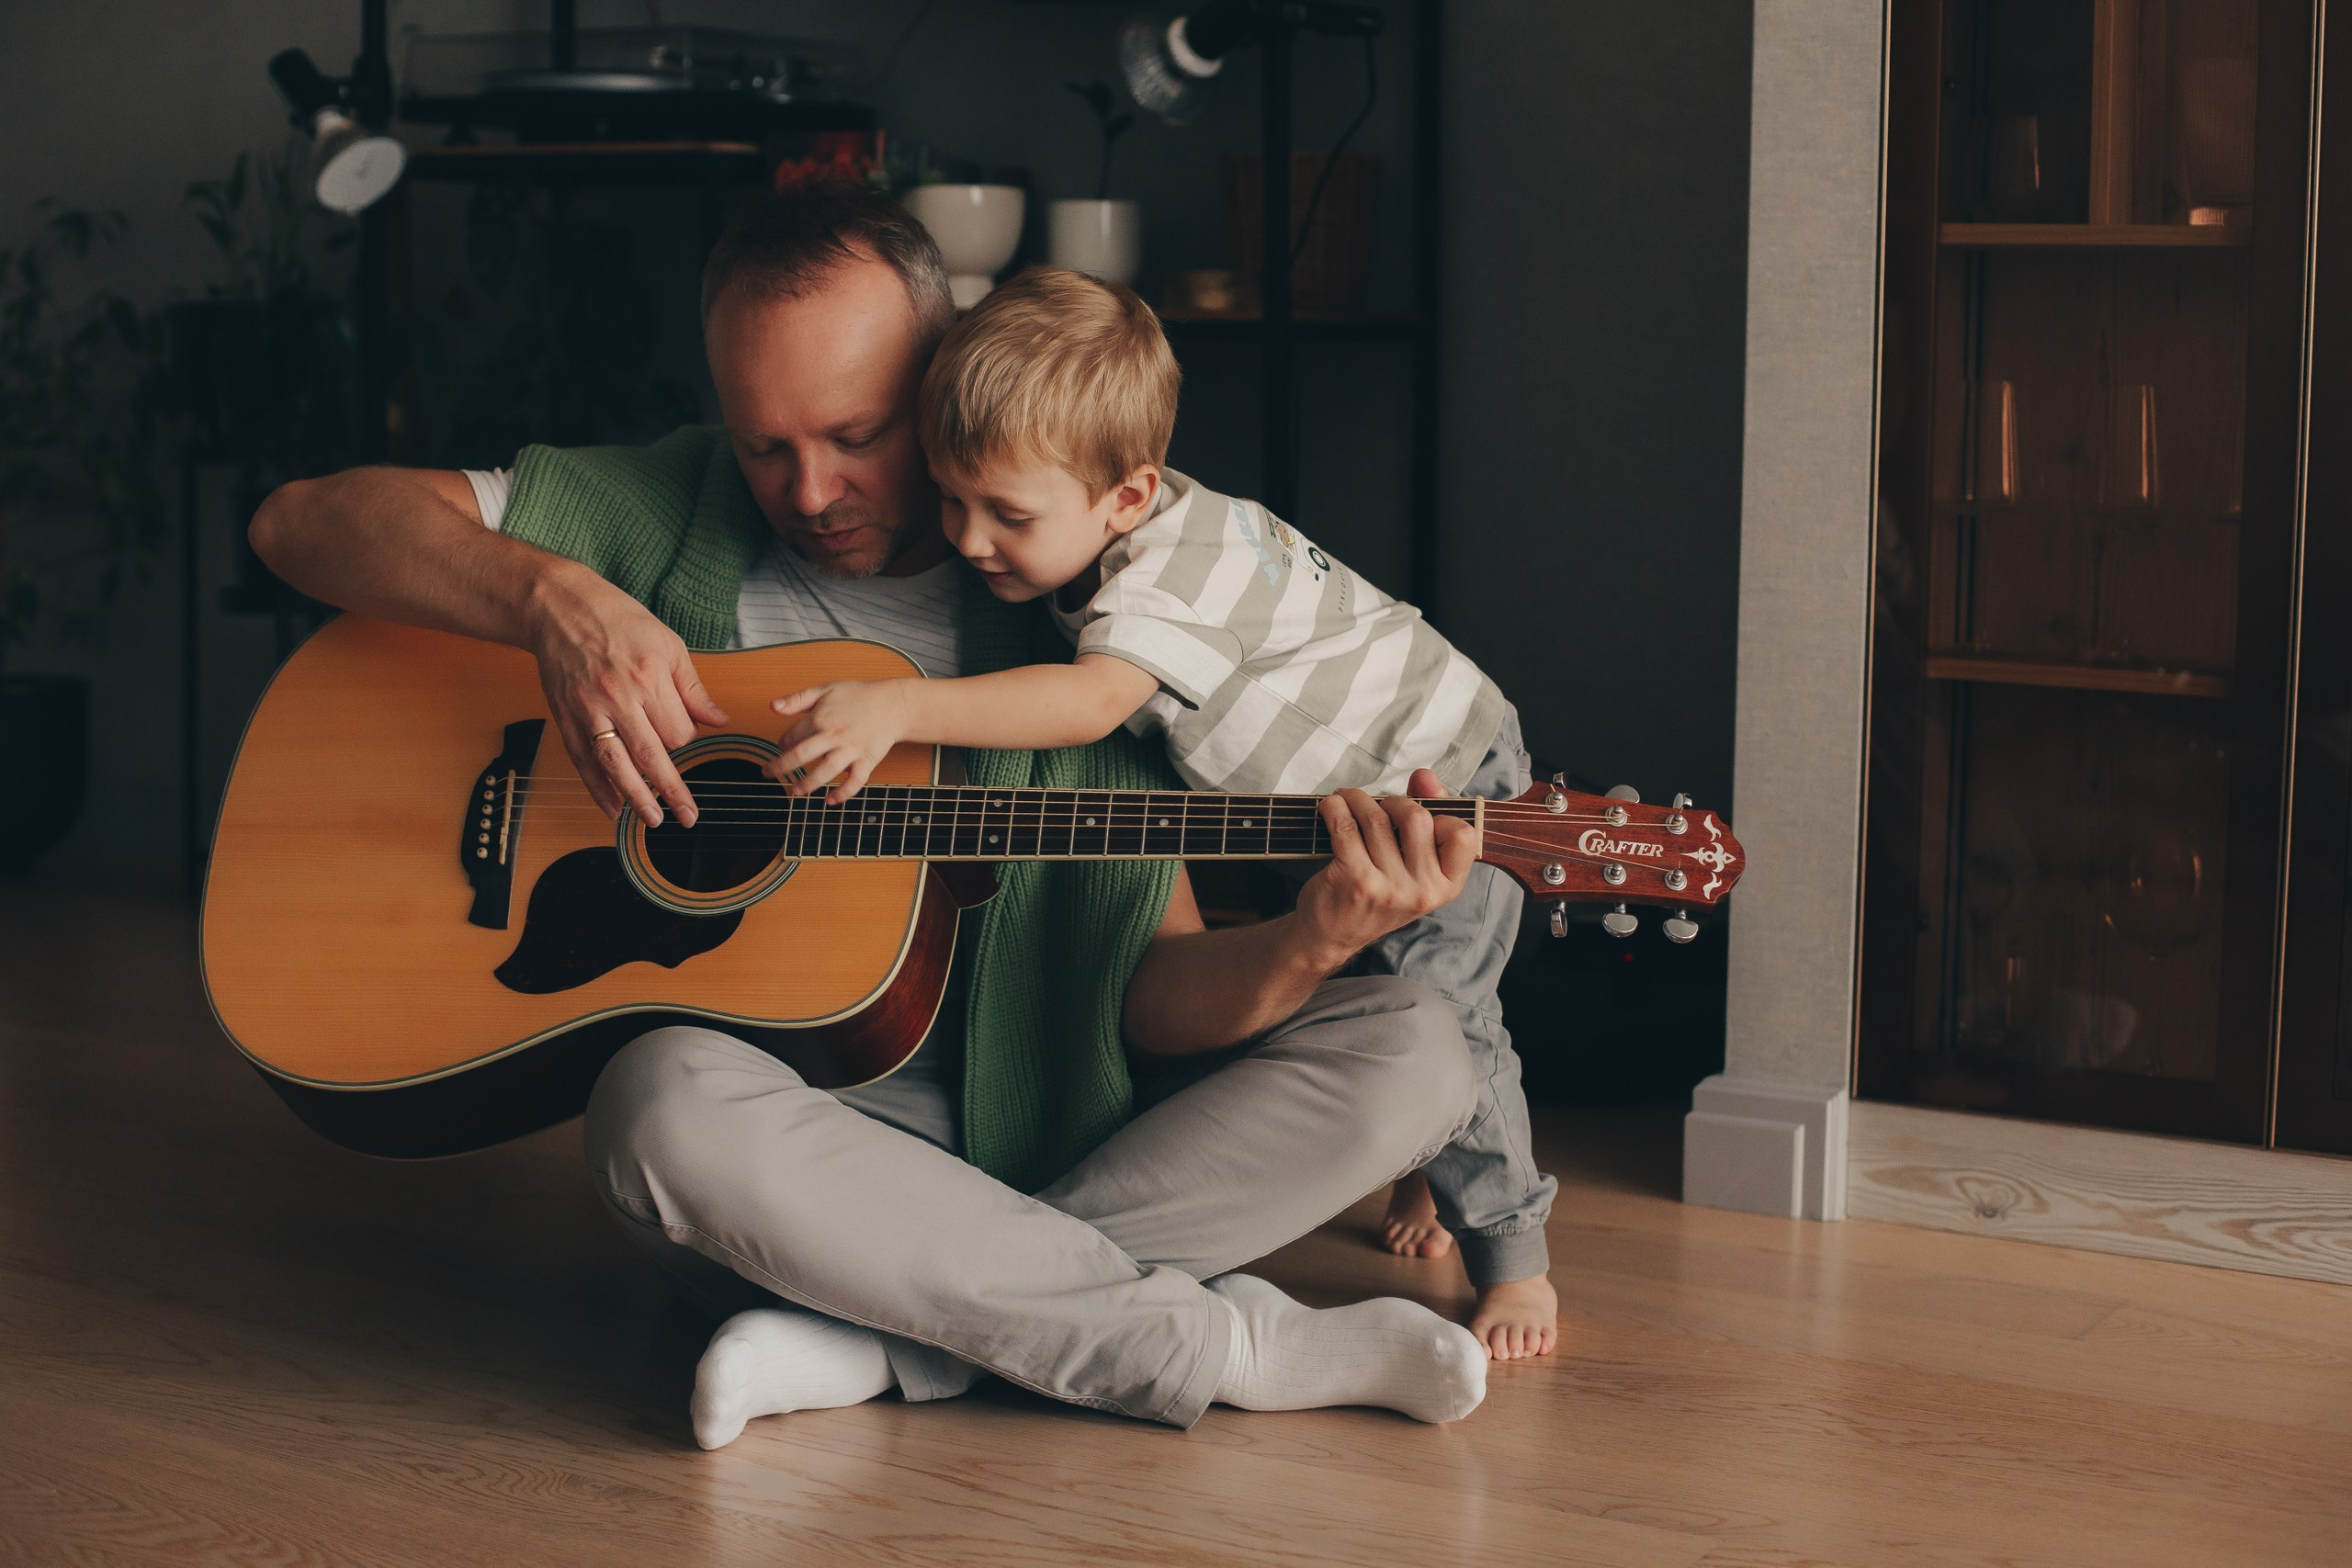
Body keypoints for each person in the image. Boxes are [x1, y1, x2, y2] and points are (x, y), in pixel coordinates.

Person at [247, 186, 1498, 1448]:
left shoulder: (1083, 606)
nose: (809, 489)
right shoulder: (672, 508)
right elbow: (297, 523)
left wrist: (1315, 936)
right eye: (763, 444)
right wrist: (551, 598)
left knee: (1419, 1046)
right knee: (655, 1101)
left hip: (1056, 1135)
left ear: (946, 365)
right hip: (801, 1162)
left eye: (857, 433)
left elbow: (1150, 994)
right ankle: (1218, 1337)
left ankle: (880, 1336)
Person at [756, 265, 1562, 1359]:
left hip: (1442, 783)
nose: (971, 538)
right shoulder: (1095, 526)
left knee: (1445, 1011)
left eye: (1008, 514)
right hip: (1309, 796)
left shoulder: (1169, 578)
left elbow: (1090, 705)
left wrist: (898, 704)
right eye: (950, 499)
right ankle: (1423, 1165)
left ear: (1126, 497)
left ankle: (1514, 1256)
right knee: (1357, 975)